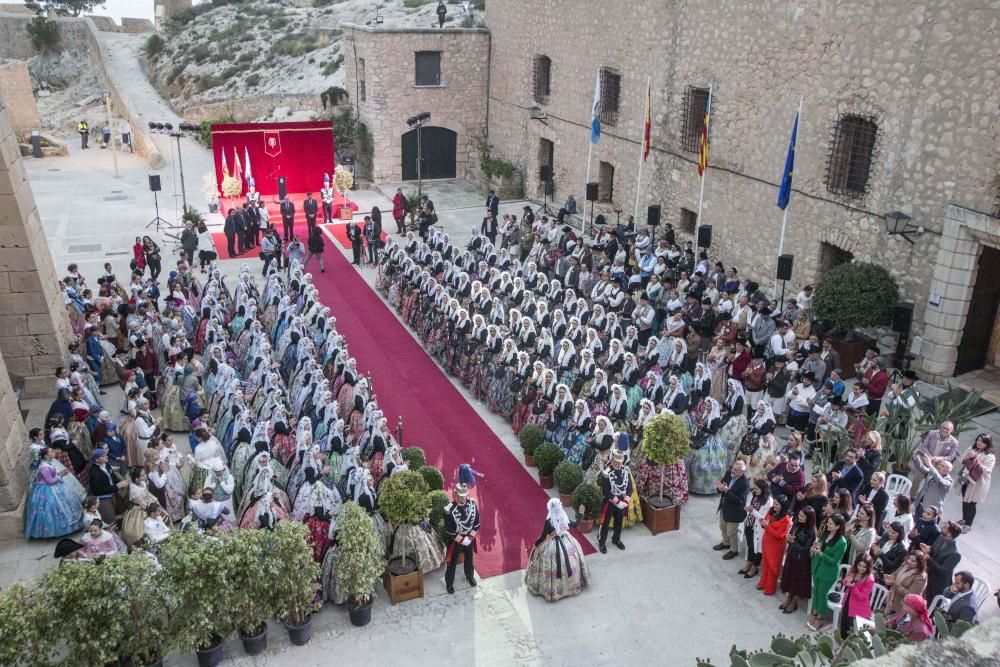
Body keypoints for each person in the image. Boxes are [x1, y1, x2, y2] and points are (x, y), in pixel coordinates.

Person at [525, 498, 591, 601]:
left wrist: (535, 545)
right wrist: (581, 513)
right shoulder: (563, 516)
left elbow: (543, 537)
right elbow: (574, 524)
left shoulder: (549, 521)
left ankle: (553, 590)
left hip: (551, 545)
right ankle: (571, 586)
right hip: (566, 541)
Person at [25, 447, 85, 539]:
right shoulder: (44, 467)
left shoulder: (49, 463)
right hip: (48, 490)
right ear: (46, 456)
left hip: (56, 487)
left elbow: (53, 476)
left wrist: (60, 473)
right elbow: (50, 481)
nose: (53, 452)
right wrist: (61, 476)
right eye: (51, 452)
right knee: (53, 508)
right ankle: (56, 530)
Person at [808, 512, 848, 632]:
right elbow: (819, 544)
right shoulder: (825, 534)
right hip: (817, 567)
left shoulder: (842, 542)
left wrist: (821, 554)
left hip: (828, 571)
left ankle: (820, 618)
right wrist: (815, 546)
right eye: (828, 523)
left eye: (831, 524)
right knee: (816, 591)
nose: (828, 525)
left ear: (838, 526)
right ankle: (814, 613)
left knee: (822, 594)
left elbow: (835, 560)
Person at [443, 483, 480, 594]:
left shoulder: (472, 505)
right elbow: (449, 529)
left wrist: (470, 537)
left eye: (464, 495)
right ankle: (449, 583)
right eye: (459, 495)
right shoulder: (449, 509)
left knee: (469, 559)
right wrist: (461, 540)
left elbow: (477, 523)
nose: (462, 497)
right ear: (455, 494)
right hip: (456, 540)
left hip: (469, 538)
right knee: (452, 563)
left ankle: (470, 576)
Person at [780, 505, 816, 615]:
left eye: (802, 516)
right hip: (792, 555)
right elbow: (790, 535)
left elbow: (805, 549)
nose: (799, 517)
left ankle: (794, 601)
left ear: (809, 518)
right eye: (799, 515)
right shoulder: (796, 524)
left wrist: (793, 542)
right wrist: (788, 538)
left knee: (797, 581)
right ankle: (789, 597)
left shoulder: (812, 531)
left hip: (802, 560)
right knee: (790, 578)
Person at [713, 460, 750, 561]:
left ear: (742, 472)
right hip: (724, 506)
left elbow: (740, 500)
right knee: (722, 527)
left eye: (736, 470)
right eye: (732, 468)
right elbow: (722, 484)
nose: (732, 471)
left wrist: (727, 491)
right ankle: (726, 543)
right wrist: (719, 488)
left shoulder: (745, 483)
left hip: (735, 511)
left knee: (731, 532)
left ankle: (734, 550)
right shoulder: (728, 473)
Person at [909, 421, 959, 495]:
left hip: (938, 467)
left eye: (948, 429)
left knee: (929, 484)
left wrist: (938, 458)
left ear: (951, 430)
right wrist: (929, 456)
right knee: (916, 480)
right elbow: (924, 446)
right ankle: (912, 496)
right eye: (944, 428)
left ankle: (922, 499)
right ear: (940, 427)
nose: (945, 430)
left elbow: (951, 457)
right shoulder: (932, 433)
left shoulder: (954, 442)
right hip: (925, 461)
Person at [957, 433, 994, 532]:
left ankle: (968, 525)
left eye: (982, 441)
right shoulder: (971, 449)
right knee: (965, 500)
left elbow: (986, 471)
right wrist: (966, 459)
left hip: (977, 484)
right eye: (978, 440)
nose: (979, 443)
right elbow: (961, 459)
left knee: (971, 504)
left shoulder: (990, 456)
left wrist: (974, 459)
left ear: (987, 444)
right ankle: (964, 520)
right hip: (966, 479)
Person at [597, 449, 632, 554]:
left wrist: (626, 501)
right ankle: (602, 541)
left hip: (622, 502)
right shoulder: (606, 473)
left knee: (619, 522)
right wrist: (617, 502)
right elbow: (606, 492)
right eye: (616, 460)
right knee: (605, 523)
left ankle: (616, 539)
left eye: (620, 461)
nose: (618, 463)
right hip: (610, 502)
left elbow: (629, 488)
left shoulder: (626, 470)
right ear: (612, 460)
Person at [739, 479, 772, 580]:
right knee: (750, 546)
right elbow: (751, 506)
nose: (754, 490)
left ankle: (754, 567)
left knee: (758, 549)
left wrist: (752, 511)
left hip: (759, 528)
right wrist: (748, 508)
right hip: (749, 524)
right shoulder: (754, 495)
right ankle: (749, 563)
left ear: (763, 489)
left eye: (757, 489)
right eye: (754, 488)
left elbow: (764, 518)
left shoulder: (768, 501)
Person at [758, 494, 791, 596]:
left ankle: (770, 587)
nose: (774, 506)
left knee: (773, 566)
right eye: (774, 503)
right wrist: (763, 523)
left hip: (776, 545)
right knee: (765, 563)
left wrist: (767, 526)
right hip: (767, 541)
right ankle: (763, 582)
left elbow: (779, 535)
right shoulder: (772, 510)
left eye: (777, 504)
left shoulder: (786, 519)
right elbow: (765, 521)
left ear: (783, 505)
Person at [923, 521, 962, 601]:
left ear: (949, 534)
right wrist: (928, 550)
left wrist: (929, 559)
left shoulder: (955, 553)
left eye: (944, 528)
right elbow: (934, 550)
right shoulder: (940, 537)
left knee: (930, 603)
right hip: (928, 575)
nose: (941, 527)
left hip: (938, 583)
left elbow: (944, 570)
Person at [838, 555, 875, 638]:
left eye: (864, 567)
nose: (861, 568)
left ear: (868, 567)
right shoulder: (853, 570)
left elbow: (862, 597)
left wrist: (853, 587)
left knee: (852, 629)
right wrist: (847, 581)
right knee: (843, 625)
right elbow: (845, 581)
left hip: (858, 607)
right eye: (859, 565)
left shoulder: (870, 579)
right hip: (847, 601)